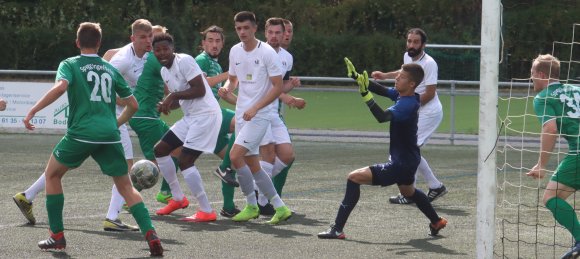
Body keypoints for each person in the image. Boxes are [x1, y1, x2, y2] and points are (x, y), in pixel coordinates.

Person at [20, 22, 162, 256]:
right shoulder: (110, 68)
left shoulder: (70, 64)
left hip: (81, 134)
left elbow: (60, 87)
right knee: (126, 186)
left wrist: (33, 110)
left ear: (77, 43)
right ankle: (151, 234)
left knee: (53, 175)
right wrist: (115, 124)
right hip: (109, 135)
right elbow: (133, 105)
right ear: (99, 44)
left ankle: (57, 236)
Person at [317, 58, 447, 239]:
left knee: (353, 178)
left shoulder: (406, 105)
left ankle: (337, 229)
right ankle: (436, 221)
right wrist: (356, 77)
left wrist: (365, 96)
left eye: (401, 77)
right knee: (408, 192)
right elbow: (382, 89)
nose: (396, 79)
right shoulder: (408, 96)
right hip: (410, 160)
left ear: (411, 84)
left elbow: (382, 116)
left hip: (400, 164)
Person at [218, 11, 292, 224]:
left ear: (254, 28)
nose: (242, 32)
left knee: (234, 156)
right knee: (253, 163)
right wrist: (226, 88)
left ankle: (251, 204)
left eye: (246, 28)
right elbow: (232, 80)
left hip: (261, 115)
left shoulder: (268, 52)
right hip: (243, 114)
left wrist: (256, 108)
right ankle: (280, 207)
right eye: (239, 28)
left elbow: (278, 87)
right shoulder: (234, 51)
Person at [371, 28, 447, 204]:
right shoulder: (407, 56)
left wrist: (409, 107)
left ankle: (410, 193)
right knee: (410, 150)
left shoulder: (429, 63)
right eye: (409, 41)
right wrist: (385, 75)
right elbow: (403, 72)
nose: (411, 45)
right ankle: (434, 186)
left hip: (429, 111)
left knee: (407, 151)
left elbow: (429, 93)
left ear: (423, 44)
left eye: (415, 42)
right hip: (415, 109)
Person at [152, 33, 222, 222]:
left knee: (185, 161)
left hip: (206, 115)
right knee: (160, 150)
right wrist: (166, 104)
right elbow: (180, 99)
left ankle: (206, 210)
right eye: (157, 50)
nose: (162, 53)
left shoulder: (185, 61)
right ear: (153, 52)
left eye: (165, 48)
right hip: (191, 117)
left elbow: (199, 89)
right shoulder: (164, 72)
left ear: (172, 48)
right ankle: (177, 198)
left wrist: (172, 97)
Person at [526, 54, 580, 259]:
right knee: (561, 197)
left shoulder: (543, 98)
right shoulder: (577, 89)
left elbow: (550, 128)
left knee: (551, 198)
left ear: (541, 74)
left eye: (532, 74)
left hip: (579, 153)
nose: (531, 78)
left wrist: (541, 164)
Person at [257, 17, 304, 215]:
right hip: (259, 110)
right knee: (266, 155)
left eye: (279, 32)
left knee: (287, 155)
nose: (275, 36)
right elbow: (264, 87)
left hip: (273, 112)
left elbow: (279, 86)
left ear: (284, 33)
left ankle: (256, 186)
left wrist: (290, 86)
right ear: (265, 33)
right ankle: (261, 199)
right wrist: (289, 99)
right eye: (271, 32)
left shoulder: (287, 57)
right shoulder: (259, 53)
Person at [194, 25, 241, 218]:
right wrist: (229, 75)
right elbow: (201, 84)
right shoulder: (202, 60)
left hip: (213, 119)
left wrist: (248, 104)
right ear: (203, 43)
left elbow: (224, 92)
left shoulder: (216, 64)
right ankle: (167, 191)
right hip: (205, 115)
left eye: (218, 41)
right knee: (242, 122)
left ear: (222, 43)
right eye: (210, 40)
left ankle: (228, 207)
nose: (214, 44)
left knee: (233, 162)